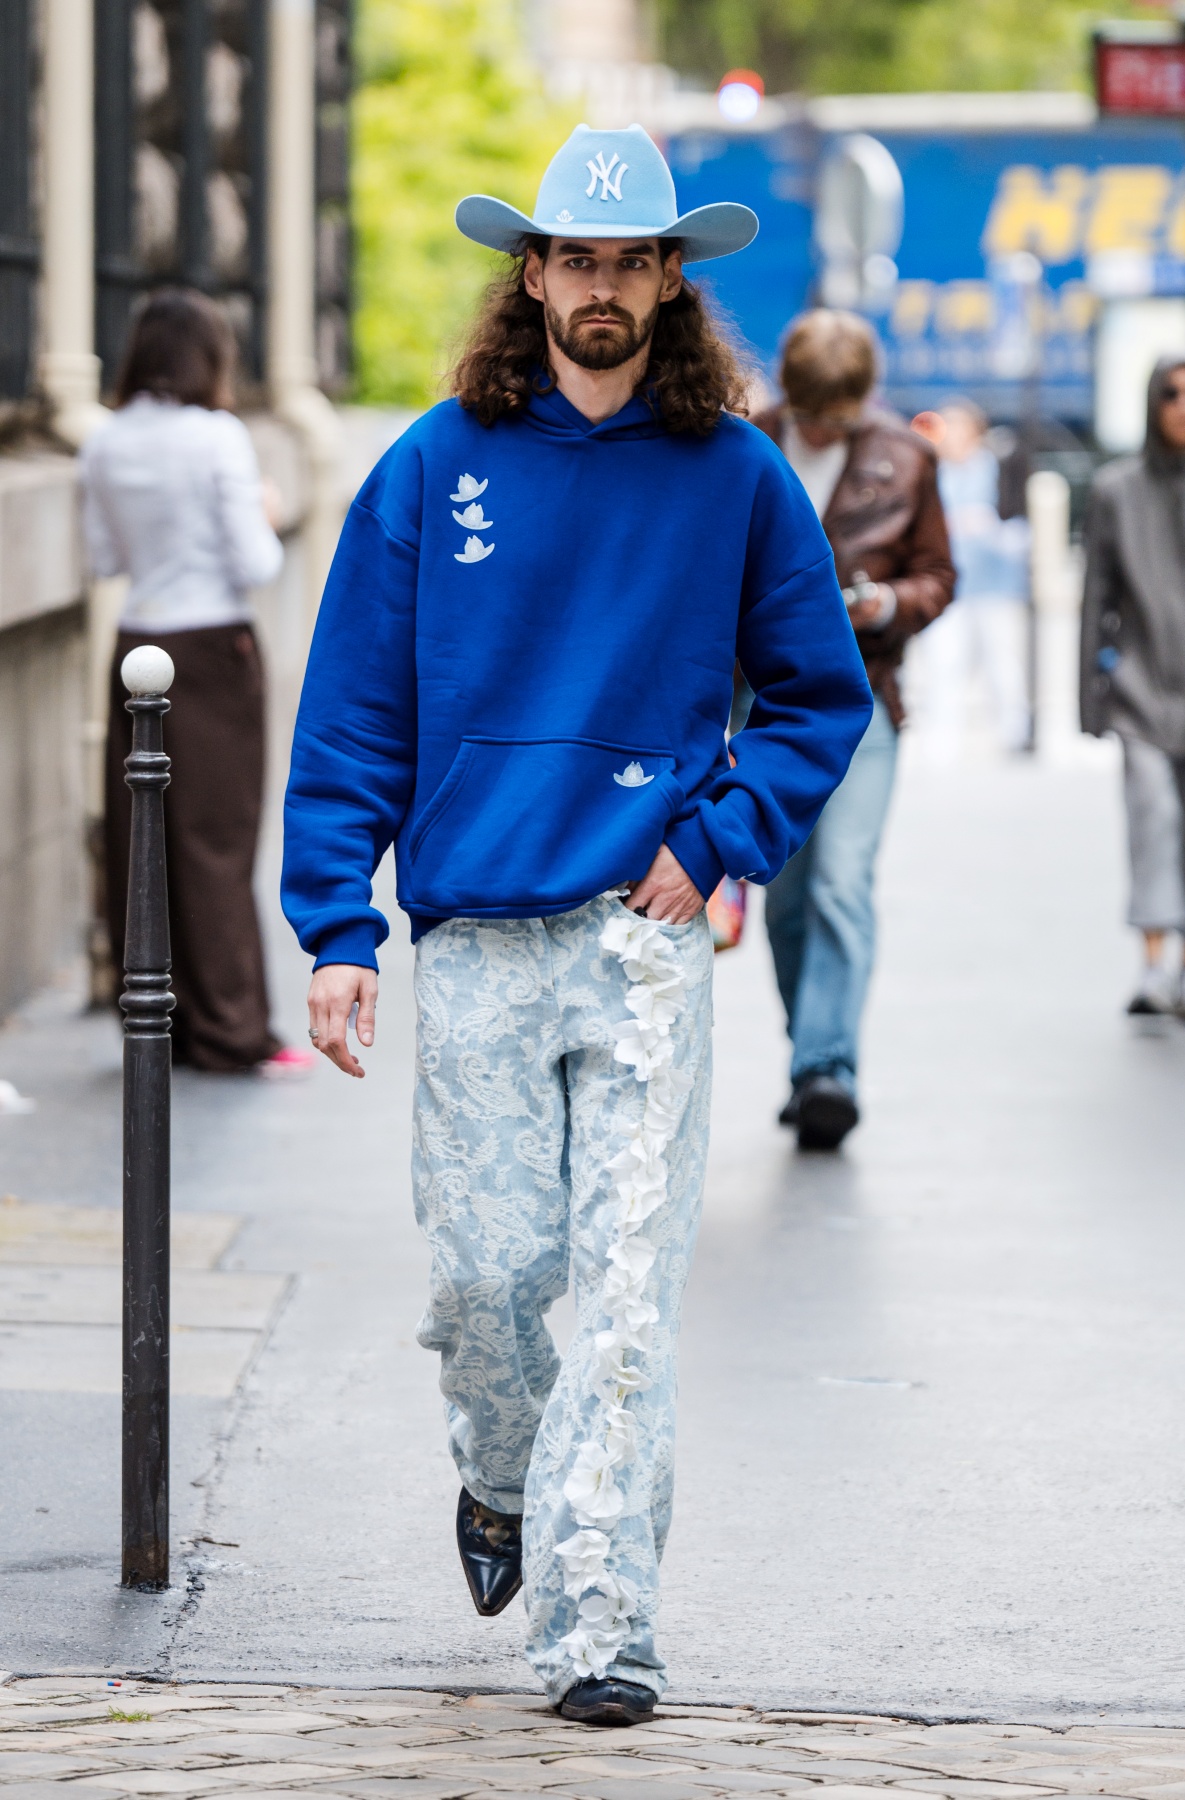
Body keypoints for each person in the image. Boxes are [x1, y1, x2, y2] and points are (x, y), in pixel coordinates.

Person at [281, 126, 872, 1725]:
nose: (602, 286)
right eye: (575, 257)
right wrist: (339, 927)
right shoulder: (428, 468)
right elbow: (350, 720)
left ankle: (600, 1625)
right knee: (488, 1283)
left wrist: (726, 837)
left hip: (643, 939)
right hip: (473, 934)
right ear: (529, 271)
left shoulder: (737, 476)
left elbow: (824, 693)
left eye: (632, 260)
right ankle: (498, 1474)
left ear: (671, 278)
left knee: (621, 1294)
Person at [82, 288, 310, 1076]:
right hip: (212, 648)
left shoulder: (104, 440)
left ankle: (157, 1023)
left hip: (134, 643)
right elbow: (256, 563)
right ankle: (233, 1031)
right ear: (208, 355)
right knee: (217, 842)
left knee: (141, 839)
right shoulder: (218, 438)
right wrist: (267, 510)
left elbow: (104, 560)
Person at [752, 311, 955, 1149]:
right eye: (810, 416)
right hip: (760, 703)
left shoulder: (906, 458)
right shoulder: (747, 442)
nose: (821, 432)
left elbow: (938, 578)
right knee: (786, 896)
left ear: (863, 400)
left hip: (865, 696)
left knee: (841, 878)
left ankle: (826, 1065)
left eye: (834, 420)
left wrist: (884, 605)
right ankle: (811, 1048)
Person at [1081, 352, 1185, 1020]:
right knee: (1153, 819)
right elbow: (1097, 597)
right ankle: (1154, 963)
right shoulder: (1116, 490)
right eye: (1172, 393)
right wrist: (1089, 701)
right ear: (1153, 404)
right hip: (1141, 693)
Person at [918, 400, 1031, 761]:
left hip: (995, 585)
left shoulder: (996, 468)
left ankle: (1014, 733)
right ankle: (942, 740)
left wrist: (987, 527)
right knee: (944, 663)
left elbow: (1020, 530)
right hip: (949, 586)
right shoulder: (932, 473)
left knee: (1003, 661)